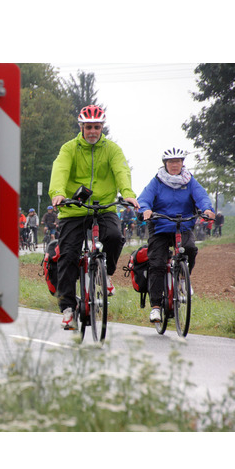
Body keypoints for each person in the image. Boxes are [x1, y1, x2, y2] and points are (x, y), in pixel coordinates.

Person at [49, 105, 139, 330]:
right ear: (81, 127)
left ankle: (106, 274)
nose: (92, 131)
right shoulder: (69, 148)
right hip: (74, 209)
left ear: (102, 127)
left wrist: (127, 194)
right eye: (88, 127)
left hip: (103, 207)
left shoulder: (112, 149)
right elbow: (60, 170)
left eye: (96, 127)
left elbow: (121, 171)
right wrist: (58, 193)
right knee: (68, 255)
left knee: (115, 236)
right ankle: (68, 309)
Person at [138, 148, 215, 324]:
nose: (174, 165)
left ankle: (182, 279)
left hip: (183, 225)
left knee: (190, 249)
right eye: (171, 162)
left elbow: (201, 196)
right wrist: (146, 209)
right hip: (160, 226)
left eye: (178, 161)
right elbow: (144, 198)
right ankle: (156, 307)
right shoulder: (157, 181)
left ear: (182, 163)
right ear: (165, 163)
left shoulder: (189, 181)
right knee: (156, 263)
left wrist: (207, 209)